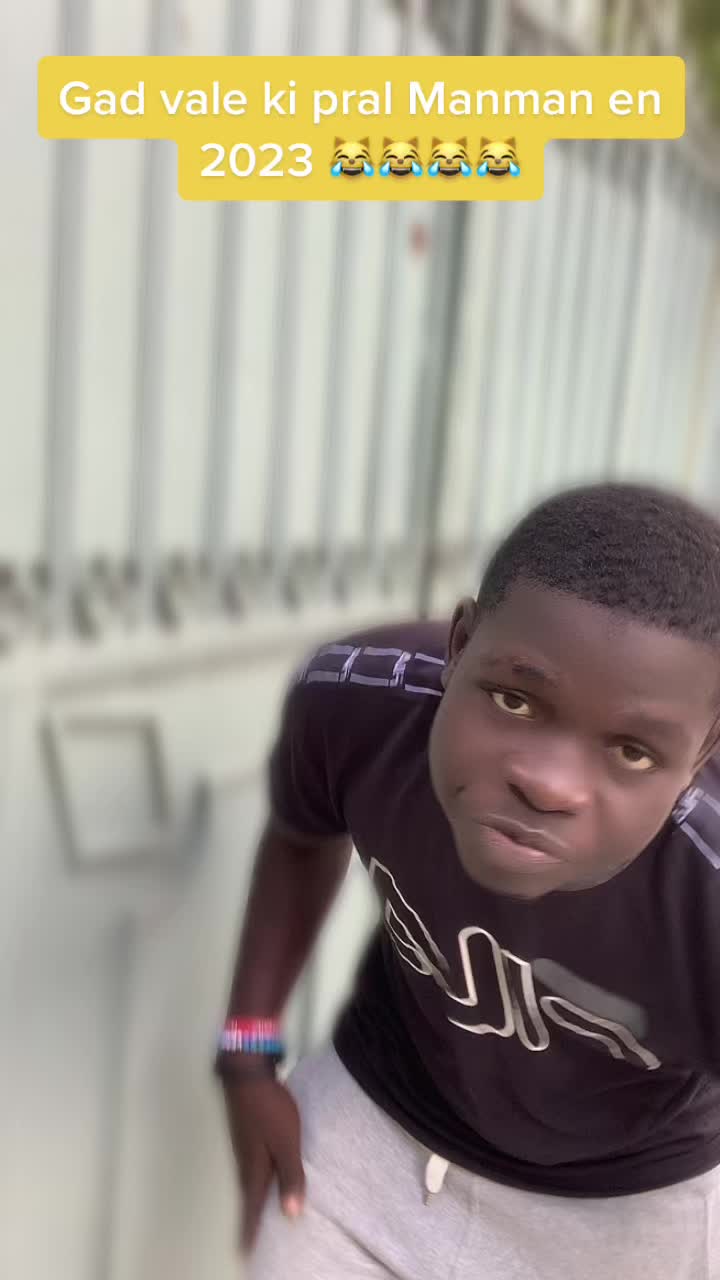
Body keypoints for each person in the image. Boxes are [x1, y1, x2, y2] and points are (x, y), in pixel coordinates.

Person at [215, 482, 720, 1279]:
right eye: (515, 700)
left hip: (622, 1211)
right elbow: (301, 837)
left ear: (701, 755)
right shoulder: (361, 701)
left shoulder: (707, 893)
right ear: (459, 645)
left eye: (631, 752)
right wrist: (246, 1053)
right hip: (369, 1137)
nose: (549, 784)